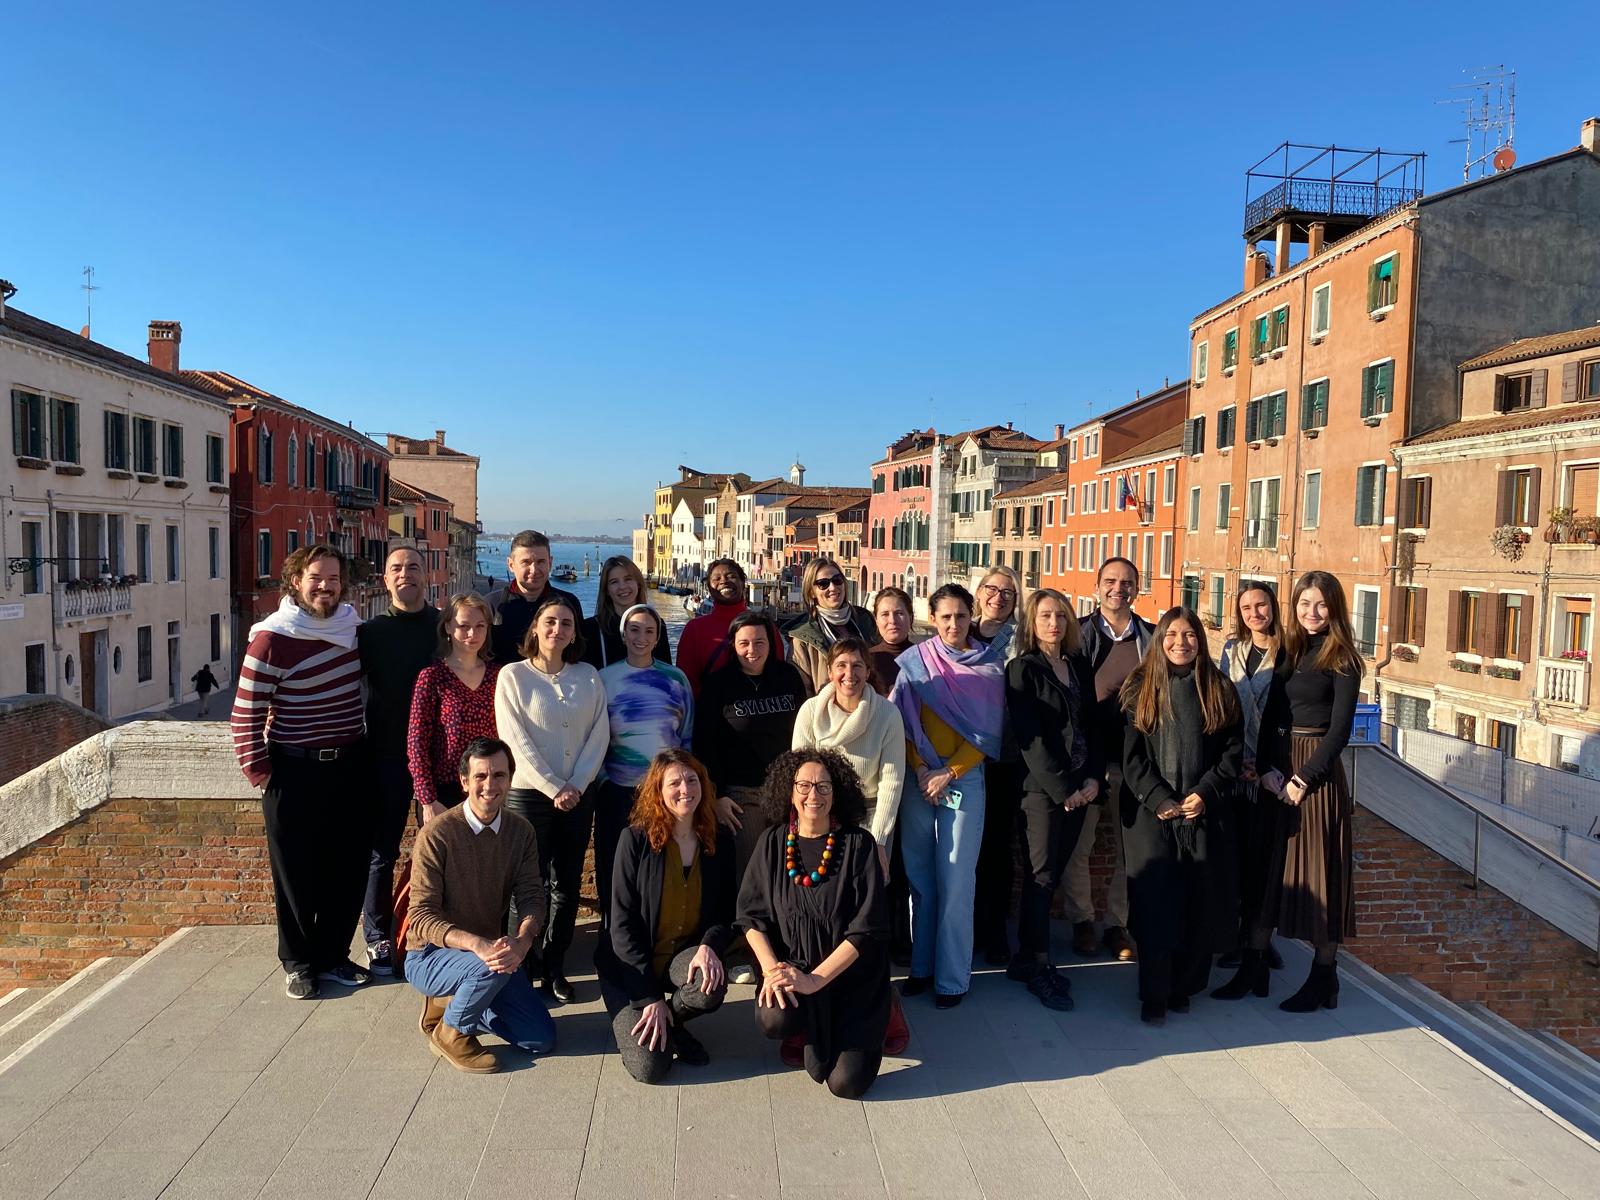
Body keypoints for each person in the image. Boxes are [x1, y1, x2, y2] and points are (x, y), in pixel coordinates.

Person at [230, 544, 370, 999]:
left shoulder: (353, 630)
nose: (325, 586)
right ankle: (297, 963)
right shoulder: (272, 639)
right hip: (293, 769)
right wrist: (261, 772)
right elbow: (245, 713)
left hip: (349, 766)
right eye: (316, 578)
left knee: (347, 869)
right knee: (294, 874)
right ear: (296, 581)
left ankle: (332, 957)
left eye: (333, 579)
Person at [736, 748, 890, 1099]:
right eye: (803, 785)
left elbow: (865, 930)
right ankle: (806, 1025)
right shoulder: (773, 842)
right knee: (773, 1018)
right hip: (795, 968)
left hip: (850, 981)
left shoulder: (858, 845)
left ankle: (885, 1011)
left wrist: (812, 981)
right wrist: (774, 970)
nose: (813, 795)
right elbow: (750, 916)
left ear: (837, 793)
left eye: (823, 786)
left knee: (846, 1085)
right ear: (788, 791)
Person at [1119, 607, 1243, 1025]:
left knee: (1198, 903)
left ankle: (1184, 987)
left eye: (1189, 635)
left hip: (1202, 813)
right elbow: (1131, 759)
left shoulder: (1220, 689)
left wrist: (1204, 794)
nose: (1180, 642)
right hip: (1151, 815)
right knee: (1155, 904)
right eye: (1171, 634)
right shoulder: (1140, 689)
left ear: (1199, 641)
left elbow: (1231, 753)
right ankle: (1153, 992)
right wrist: (1158, 799)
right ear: (1160, 640)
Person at [405, 737, 556, 1072]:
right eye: (481, 777)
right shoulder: (437, 834)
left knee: (540, 1038)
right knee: (489, 965)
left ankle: (456, 1003)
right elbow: (420, 916)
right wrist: (476, 944)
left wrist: (522, 941)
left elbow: (532, 895)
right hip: (429, 955)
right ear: (464, 781)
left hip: (490, 958)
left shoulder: (521, 831)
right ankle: (451, 1032)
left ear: (510, 779)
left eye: (499, 775)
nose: (490, 785)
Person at [1252, 570, 1363, 1013]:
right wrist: (1265, 768)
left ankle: (1323, 978)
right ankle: (1255, 964)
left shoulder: (1344, 659)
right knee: (1269, 868)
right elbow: (1271, 714)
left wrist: (1304, 779)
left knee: (1321, 874)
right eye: (1303, 604)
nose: (1311, 612)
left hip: (1315, 778)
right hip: (1281, 767)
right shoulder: (1290, 651)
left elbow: (1340, 731)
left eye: (1320, 604)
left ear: (1334, 608)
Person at [889, 584, 1004, 1008]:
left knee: (956, 881)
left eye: (960, 616)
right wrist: (922, 770)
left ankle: (953, 979)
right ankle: (921, 968)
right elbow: (898, 723)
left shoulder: (990, 666)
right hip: (919, 778)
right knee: (920, 879)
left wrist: (948, 772)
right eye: (945, 617)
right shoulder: (916, 664)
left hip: (964, 779)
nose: (954, 624)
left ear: (971, 616)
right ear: (932, 620)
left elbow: (988, 734)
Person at [494, 592, 609, 1004]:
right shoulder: (513, 676)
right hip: (528, 795)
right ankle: (521, 965)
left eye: (566, 623)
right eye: (550, 622)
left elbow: (600, 735)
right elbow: (514, 740)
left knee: (567, 884)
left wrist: (576, 784)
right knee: (527, 884)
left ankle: (555, 965)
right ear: (536, 629)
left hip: (579, 795)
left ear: (574, 632)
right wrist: (553, 786)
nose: (557, 629)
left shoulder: (588, 676)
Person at [596, 750, 735, 1083]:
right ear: (658, 791)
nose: (685, 789)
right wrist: (648, 997)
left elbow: (727, 912)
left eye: (692, 779)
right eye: (674, 782)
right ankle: (658, 1021)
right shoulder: (635, 840)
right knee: (650, 1068)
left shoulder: (719, 839)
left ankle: (671, 1019)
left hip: (678, 957)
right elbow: (621, 925)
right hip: (628, 970)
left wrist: (708, 946)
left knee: (709, 985)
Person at [1003, 588, 1101, 1011]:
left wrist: (1094, 777)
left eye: (1060, 615)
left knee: (1053, 874)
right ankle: (1039, 966)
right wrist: (1065, 791)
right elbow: (1031, 739)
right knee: (1040, 877)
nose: (1053, 623)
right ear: (1031, 622)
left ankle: (1026, 957)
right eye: (1045, 616)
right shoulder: (1022, 669)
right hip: (1043, 793)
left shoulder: (1078, 664)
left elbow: (1092, 726)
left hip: (1083, 787)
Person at [1065, 557, 1153, 962]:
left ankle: (1118, 924)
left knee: (1128, 848)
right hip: (1086, 761)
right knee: (1078, 846)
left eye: (1127, 582)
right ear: (1098, 586)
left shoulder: (1151, 638)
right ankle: (1082, 921)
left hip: (1135, 761)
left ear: (1137, 588)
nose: (1119, 588)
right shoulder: (1077, 634)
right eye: (1111, 581)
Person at [357, 545, 440, 976]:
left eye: (412, 567)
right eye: (396, 568)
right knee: (381, 852)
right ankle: (376, 936)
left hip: (438, 758)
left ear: (425, 575)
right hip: (386, 755)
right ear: (385, 580)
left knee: (440, 850)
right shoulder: (369, 634)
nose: (405, 573)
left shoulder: (445, 627)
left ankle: (432, 931)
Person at [1211, 583, 1288, 995]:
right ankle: (1238, 935)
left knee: (1264, 858)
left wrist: (1263, 765)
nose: (1255, 613)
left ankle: (1261, 938)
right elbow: (1223, 703)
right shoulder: (1231, 651)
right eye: (1246, 607)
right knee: (1235, 856)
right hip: (1234, 766)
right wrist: (1236, 759)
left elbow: (1288, 713)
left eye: (1261, 605)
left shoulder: (1288, 651)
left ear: (1273, 608)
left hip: (1270, 770)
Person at [596, 605, 694, 926]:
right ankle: (612, 937)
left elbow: (687, 736)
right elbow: (595, 736)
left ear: (657, 637)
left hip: (666, 794)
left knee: (657, 869)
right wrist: (601, 783)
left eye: (649, 631)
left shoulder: (676, 679)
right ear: (624, 634)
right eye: (635, 630)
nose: (641, 637)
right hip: (619, 791)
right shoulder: (604, 679)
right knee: (614, 869)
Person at [692, 610, 807, 881]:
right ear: (733, 645)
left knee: (787, 866)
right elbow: (704, 742)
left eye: (759, 642)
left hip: (786, 790)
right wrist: (716, 796)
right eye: (744, 643)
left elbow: (803, 731)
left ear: (771, 643)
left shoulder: (788, 677)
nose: (752, 650)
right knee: (751, 869)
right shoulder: (719, 684)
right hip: (741, 795)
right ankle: (748, 924)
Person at [791, 638, 906, 862]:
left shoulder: (888, 715)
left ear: (868, 671)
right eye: (841, 665)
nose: (849, 673)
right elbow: (800, 775)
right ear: (830, 671)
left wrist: (879, 839)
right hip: (821, 811)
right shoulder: (811, 711)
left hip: (870, 814)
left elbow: (891, 782)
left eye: (857, 666)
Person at [969, 565, 1024, 965]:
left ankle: (995, 930)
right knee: (965, 848)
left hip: (1005, 757)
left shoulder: (1023, 639)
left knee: (999, 847)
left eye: (1007, 592)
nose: (999, 597)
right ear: (979, 592)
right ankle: (968, 928)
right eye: (992, 589)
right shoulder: (960, 632)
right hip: (962, 758)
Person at [407, 593, 500, 818]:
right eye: (464, 626)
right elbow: (416, 743)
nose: (472, 634)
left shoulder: (500, 676)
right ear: (448, 627)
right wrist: (428, 800)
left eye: (480, 626)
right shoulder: (432, 677)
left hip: (490, 790)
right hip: (444, 792)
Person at [676, 558, 784, 695]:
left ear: (742, 583)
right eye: (717, 578)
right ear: (709, 587)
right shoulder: (695, 629)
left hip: (759, 709)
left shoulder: (764, 626)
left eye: (731, 576)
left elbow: (780, 674)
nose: (724, 581)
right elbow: (686, 682)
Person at [486, 530, 584, 663]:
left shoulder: (569, 603)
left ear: (550, 562)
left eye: (541, 562)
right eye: (526, 562)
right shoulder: (492, 605)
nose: (534, 569)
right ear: (511, 565)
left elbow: (579, 651)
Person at [786, 559, 879, 695]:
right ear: (811, 592)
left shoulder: (865, 621)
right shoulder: (802, 639)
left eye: (837, 580)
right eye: (823, 584)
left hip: (871, 708)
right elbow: (800, 692)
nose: (833, 587)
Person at [583, 556, 671, 669]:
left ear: (638, 584)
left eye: (628, 579)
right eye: (614, 582)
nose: (622, 586)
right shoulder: (590, 629)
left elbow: (665, 671)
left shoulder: (657, 625)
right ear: (607, 591)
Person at [866, 585, 915, 695]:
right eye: (885, 614)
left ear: (910, 618)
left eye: (899, 613)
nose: (892, 620)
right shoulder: (866, 659)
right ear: (876, 620)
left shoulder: (924, 657)